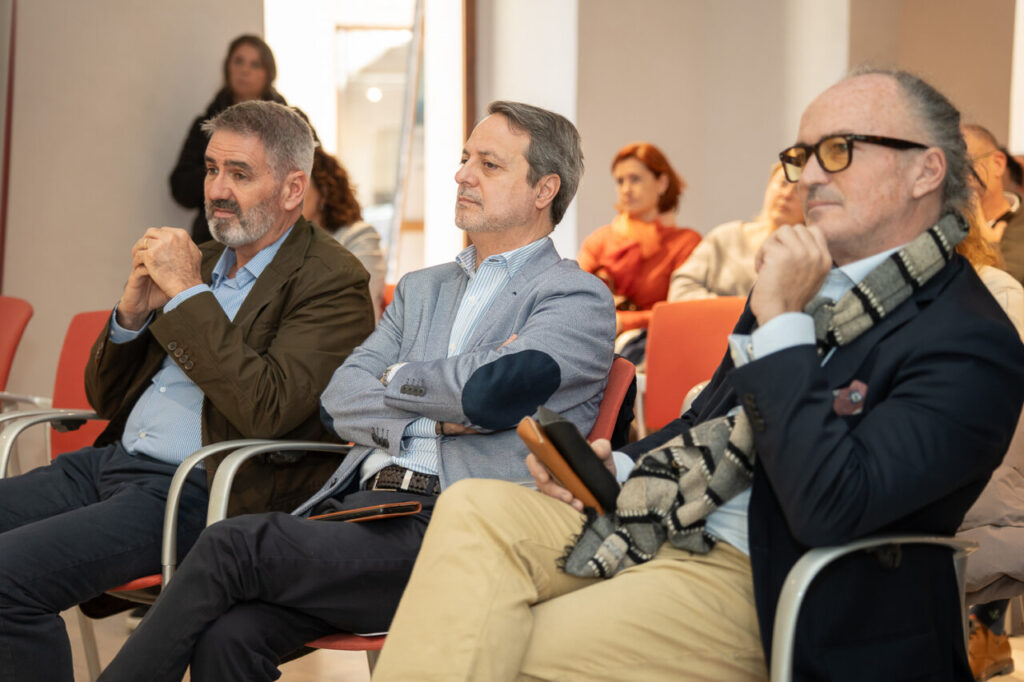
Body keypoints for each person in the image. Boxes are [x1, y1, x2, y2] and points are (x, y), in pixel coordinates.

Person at [369, 69, 1024, 682]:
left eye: (839, 150)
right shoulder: (804, 285)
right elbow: (705, 420)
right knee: (473, 507)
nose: (808, 176)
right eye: (802, 155)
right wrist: (616, 467)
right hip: (669, 517)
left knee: (491, 635)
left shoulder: (968, 338)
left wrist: (781, 323)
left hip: (772, 574)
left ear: (925, 171)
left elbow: (830, 507)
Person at [99, 100, 616, 682]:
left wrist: (394, 378)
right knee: (229, 634)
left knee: (229, 544)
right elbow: (339, 397)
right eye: (464, 158)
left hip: (458, 529)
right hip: (365, 508)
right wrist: (433, 408)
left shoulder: (575, 298)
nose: (461, 175)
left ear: (545, 189)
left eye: (489, 165)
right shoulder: (423, 289)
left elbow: (489, 395)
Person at [0, 100, 375, 681]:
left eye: (240, 174)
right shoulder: (203, 260)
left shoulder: (332, 281)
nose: (217, 190)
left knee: (8, 577)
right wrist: (130, 314)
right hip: (108, 465)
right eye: (212, 169)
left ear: (293, 189)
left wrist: (189, 297)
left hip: (198, 487)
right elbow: (104, 399)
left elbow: (268, 410)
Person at [577, 142, 700, 357]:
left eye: (635, 179)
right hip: (592, 342)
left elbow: (681, 313)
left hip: (655, 348)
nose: (626, 189)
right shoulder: (600, 240)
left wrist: (624, 322)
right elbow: (575, 300)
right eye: (620, 181)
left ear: (662, 183)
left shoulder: (685, 243)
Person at [171, 35, 292, 244]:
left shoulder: (290, 123)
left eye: (255, 64)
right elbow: (180, 188)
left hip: (274, 237)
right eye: (238, 61)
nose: (245, 70)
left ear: (268, 74)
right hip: (215, 240)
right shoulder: (205, 125)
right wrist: (220, 173)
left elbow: (312, 177)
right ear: (227, 68)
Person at [668, 162, 803, 301]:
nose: (787, 194)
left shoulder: (809, 257)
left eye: (799, 190)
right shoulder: (724, 237)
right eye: (783, 183)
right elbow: (680, 291)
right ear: (769, 185)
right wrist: (733, 309)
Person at [304, 145, 387, 317]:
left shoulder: (359, 236)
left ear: (324, 192)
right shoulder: (282, 240)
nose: (288, 193)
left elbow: (358, 308)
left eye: (298, 184)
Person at [962, 124, 1024, 285]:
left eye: (963, 164)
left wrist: (987, 248)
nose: (953, 177)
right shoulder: (938, 224)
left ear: (998, 164)